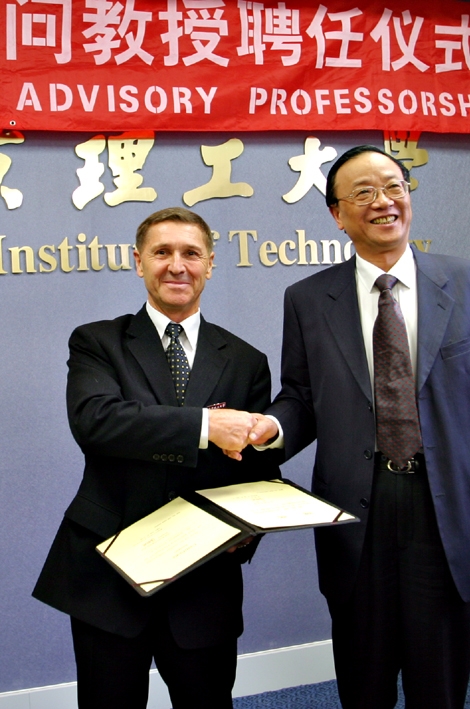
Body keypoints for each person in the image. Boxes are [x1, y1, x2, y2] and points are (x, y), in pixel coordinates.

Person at [229, 145, 470, 708]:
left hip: (445, 510)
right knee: (363, 681)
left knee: (439, 684)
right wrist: (271, 426)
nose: (383, 201)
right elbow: (302, 397)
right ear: (337, 215)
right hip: (354, 512)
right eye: (363, 192)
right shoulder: (308, 299)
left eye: (394, 187)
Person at [33, 207, 279, 709]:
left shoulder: (247, 360)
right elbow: (97, 422)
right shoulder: (97, 341)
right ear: (138, 261)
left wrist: (247, 533)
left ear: (210, 264)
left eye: (191, 253)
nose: (177, 265)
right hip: (111, 573)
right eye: (162, 252)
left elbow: (255, 468)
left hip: (204, 579)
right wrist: (208, 427)